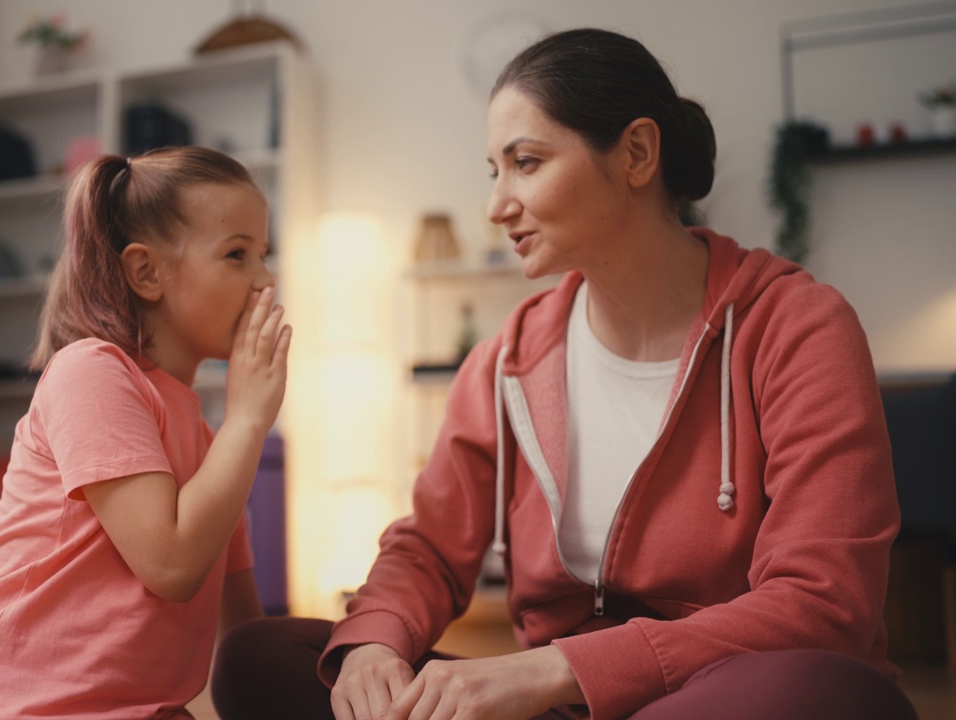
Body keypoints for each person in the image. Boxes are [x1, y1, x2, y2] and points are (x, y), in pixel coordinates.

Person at [211, 28, 917, 720]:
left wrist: (557, 669)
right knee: (260, 658)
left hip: (719, 690)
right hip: (556, 705)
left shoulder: (798, 330)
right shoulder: (509, 360)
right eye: (495, 171)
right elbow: (426, 547)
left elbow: (825, 605)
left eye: (527, 162)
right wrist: (372, 645)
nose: (496, 206)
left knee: (817, 694)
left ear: (638, 153)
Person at [0, 146, 291, 719]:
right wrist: (249, 418)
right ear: (146, 272)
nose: (265, 281)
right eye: (237, 255)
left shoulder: (212, 445)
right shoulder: (91, 372)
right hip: (16, 705)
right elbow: (170, 565)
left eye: (263, 255)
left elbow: (245, 636)